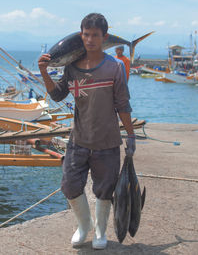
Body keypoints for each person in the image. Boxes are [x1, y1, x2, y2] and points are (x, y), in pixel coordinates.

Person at [38, 13, 136, 250]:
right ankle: (84, 226)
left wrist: (131, 135)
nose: (90, 39)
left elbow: (122, 105)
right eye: (86, 34)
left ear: (104, 37)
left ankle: (100, 231)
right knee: (70, 185)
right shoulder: (71, 68)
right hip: (79, 140)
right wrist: (44, 71)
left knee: (104, 190)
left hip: (107, 141)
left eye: (95, 35)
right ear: (80, 35)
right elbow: (58, 94)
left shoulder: (114, 68)